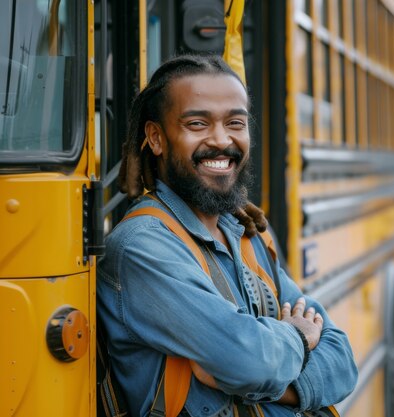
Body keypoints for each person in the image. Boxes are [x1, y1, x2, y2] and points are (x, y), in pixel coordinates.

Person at [97, 54, 358, 417]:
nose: (221, 140)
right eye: (197, 124)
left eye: (235, 122)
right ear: (156, 138)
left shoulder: (245, 234)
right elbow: (250, 362)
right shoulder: (143, 248)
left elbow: (343, 361)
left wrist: (268, 381)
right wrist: (299, 336)